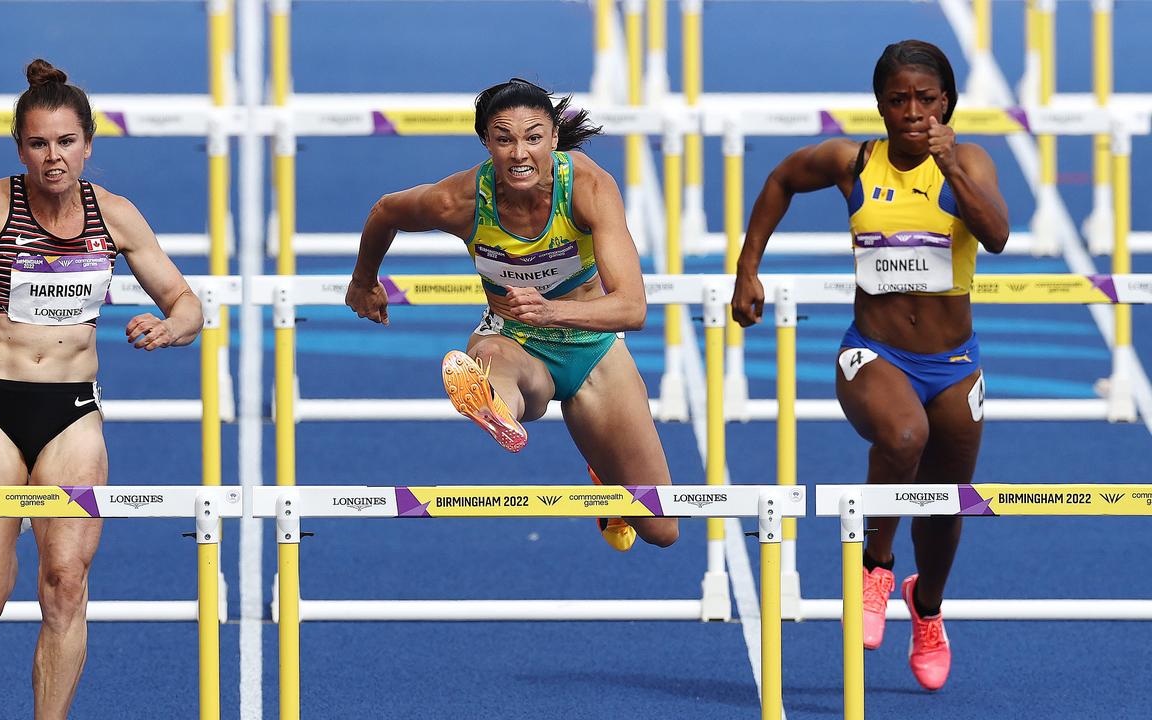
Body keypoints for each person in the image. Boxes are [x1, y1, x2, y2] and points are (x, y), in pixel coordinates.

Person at [0, 59, 203, 718]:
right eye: (39, 144)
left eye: (66, 142)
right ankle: (1, 528)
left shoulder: (115, 217)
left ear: (88, 145)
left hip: (73, 414)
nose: (54, 156)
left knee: (66, 583)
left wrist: (172, 327)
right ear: (21, 149)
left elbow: (185, 300)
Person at [730, 41, 1008, 691]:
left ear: (948, 104)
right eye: (897, 100)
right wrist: (748, 269)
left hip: (955, 363)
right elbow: (780, 180)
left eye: (926, 99)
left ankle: (928, 606)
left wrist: (951, 168)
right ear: (880, 106)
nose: (912, 111)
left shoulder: (968, 160)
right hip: (874, 352)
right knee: (903, 435)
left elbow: (995, 235)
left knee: (945, 505)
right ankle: (873, 567)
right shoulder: (853, 161)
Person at [345, 78, 678, 552]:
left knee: (661, 530)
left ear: (555, 138)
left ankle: (603, 478)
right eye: (504, 139)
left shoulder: (588, 187)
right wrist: (363, 282)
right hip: (514, 341)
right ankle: (494, 403)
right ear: (486, 143)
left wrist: (550, 310)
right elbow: (386, 211)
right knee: (505, 371)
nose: (519, 153)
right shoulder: (457, 201)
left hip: (591, 350)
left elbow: (632, 307)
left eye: (533, 137)